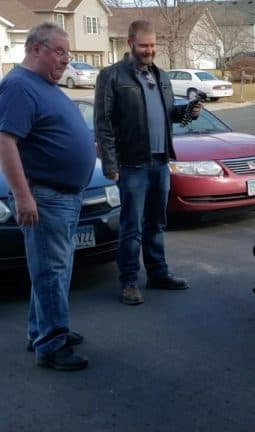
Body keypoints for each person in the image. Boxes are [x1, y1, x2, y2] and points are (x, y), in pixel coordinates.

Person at [0, 22, 92, 370]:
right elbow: (5, 142)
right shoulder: (18, 86)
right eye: (59, 51)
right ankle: (51, 346)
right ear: (35, 48)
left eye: (68, 53)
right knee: (50, 271)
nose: (66, 60)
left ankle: (42, 330)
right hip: (46, 197)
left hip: (64, 196)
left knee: (54, 269)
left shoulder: (42, 84)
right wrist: (23, 198)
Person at [94, 20, 201, 305]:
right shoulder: (112, 76)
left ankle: (158, 273)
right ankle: (129, 281)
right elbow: (102, 122)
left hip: (160, 161)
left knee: (157, 222)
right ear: (130, 43)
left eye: (153, 45)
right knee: (132, 226)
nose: (149, 50)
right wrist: (110, 164)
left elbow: (169, 115)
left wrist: (189, 112)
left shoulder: (162, 76)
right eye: (144, 45)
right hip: (132, 164)